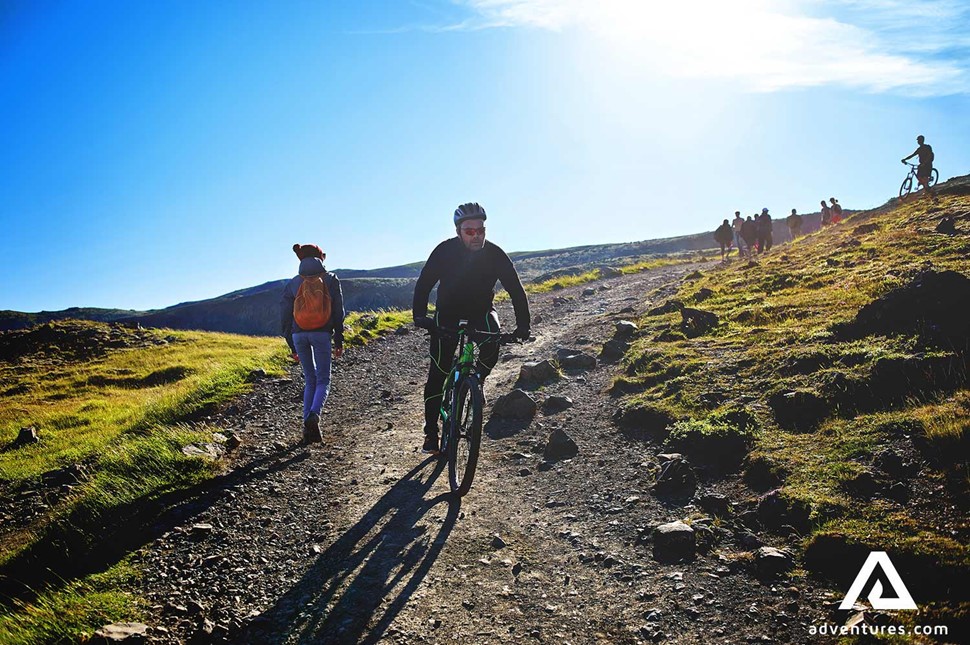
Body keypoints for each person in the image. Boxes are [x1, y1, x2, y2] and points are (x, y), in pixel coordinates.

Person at [412, 203, 531, 454]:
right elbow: (423, 285)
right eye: (470, 231)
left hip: (481, 312)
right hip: (448, 314)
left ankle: (474, 384)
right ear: (458, 232)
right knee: (439, 371)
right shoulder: (444, 251)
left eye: (481, 230)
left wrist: (523, 326)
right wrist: (420, 317)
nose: (476, 236)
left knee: (492, 343)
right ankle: (431, 432)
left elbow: (516, 291)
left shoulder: (495, 254)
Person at [281, 244, 345, 443]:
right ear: (320, 258)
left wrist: (291, 345)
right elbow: (338, 312)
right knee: (323, 379)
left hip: (299, 336)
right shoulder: (331, 279)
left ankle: (307, 430)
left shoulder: (292, 283)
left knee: (310, 379)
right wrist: (339, 339)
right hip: (321, 334)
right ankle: (314, 415)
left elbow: (284, 317)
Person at [901, 135, 937, 200]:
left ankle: (929, 190)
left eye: (919, 140)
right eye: (918, 140)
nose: (918, 141)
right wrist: (905, 159)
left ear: (922, 140)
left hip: (927, 164)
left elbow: (930, 155)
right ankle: (926, 189)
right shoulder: (919, 149)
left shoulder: (927, 147)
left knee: (924, 177)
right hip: (921, 165)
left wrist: (925, 163)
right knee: (919, 177)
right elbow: (912, 155)